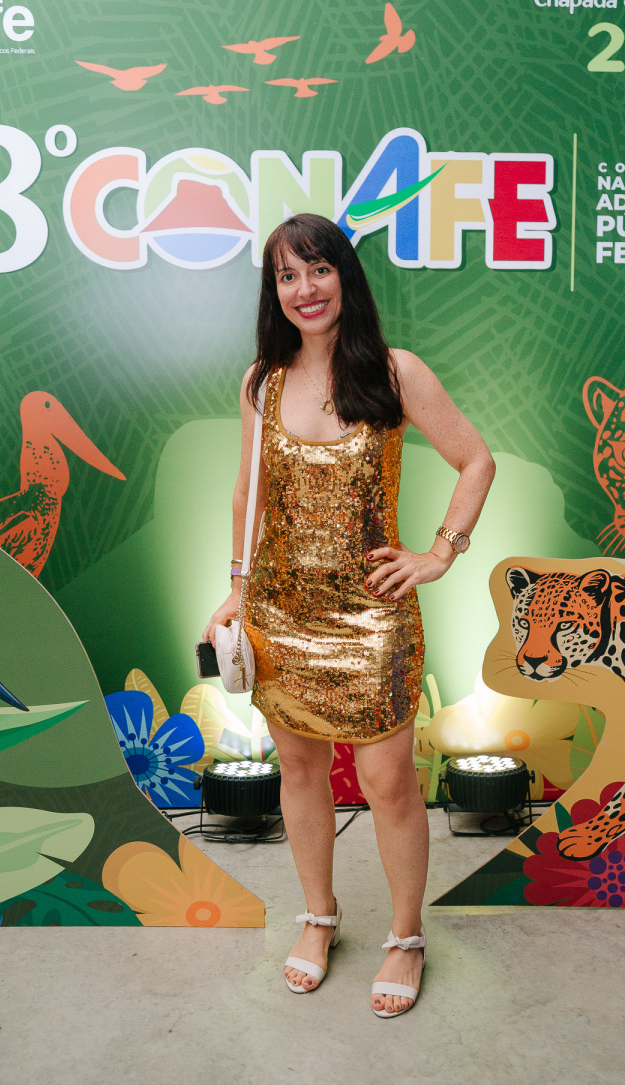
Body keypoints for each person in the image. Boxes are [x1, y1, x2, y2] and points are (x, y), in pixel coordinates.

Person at [203, 213, 495, 1017]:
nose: (305, 289)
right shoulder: (261, 382)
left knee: (387, 782)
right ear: (274, 291)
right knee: (299, 771)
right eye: (287, 276)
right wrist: (237, 588)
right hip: (281, 613)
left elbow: (475, 459)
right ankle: (319, 918)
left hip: (373, 617)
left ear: (344, 277)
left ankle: (405, 936)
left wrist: (440, 553)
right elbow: (248, 492)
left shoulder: (395, 372)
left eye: (319, 269)